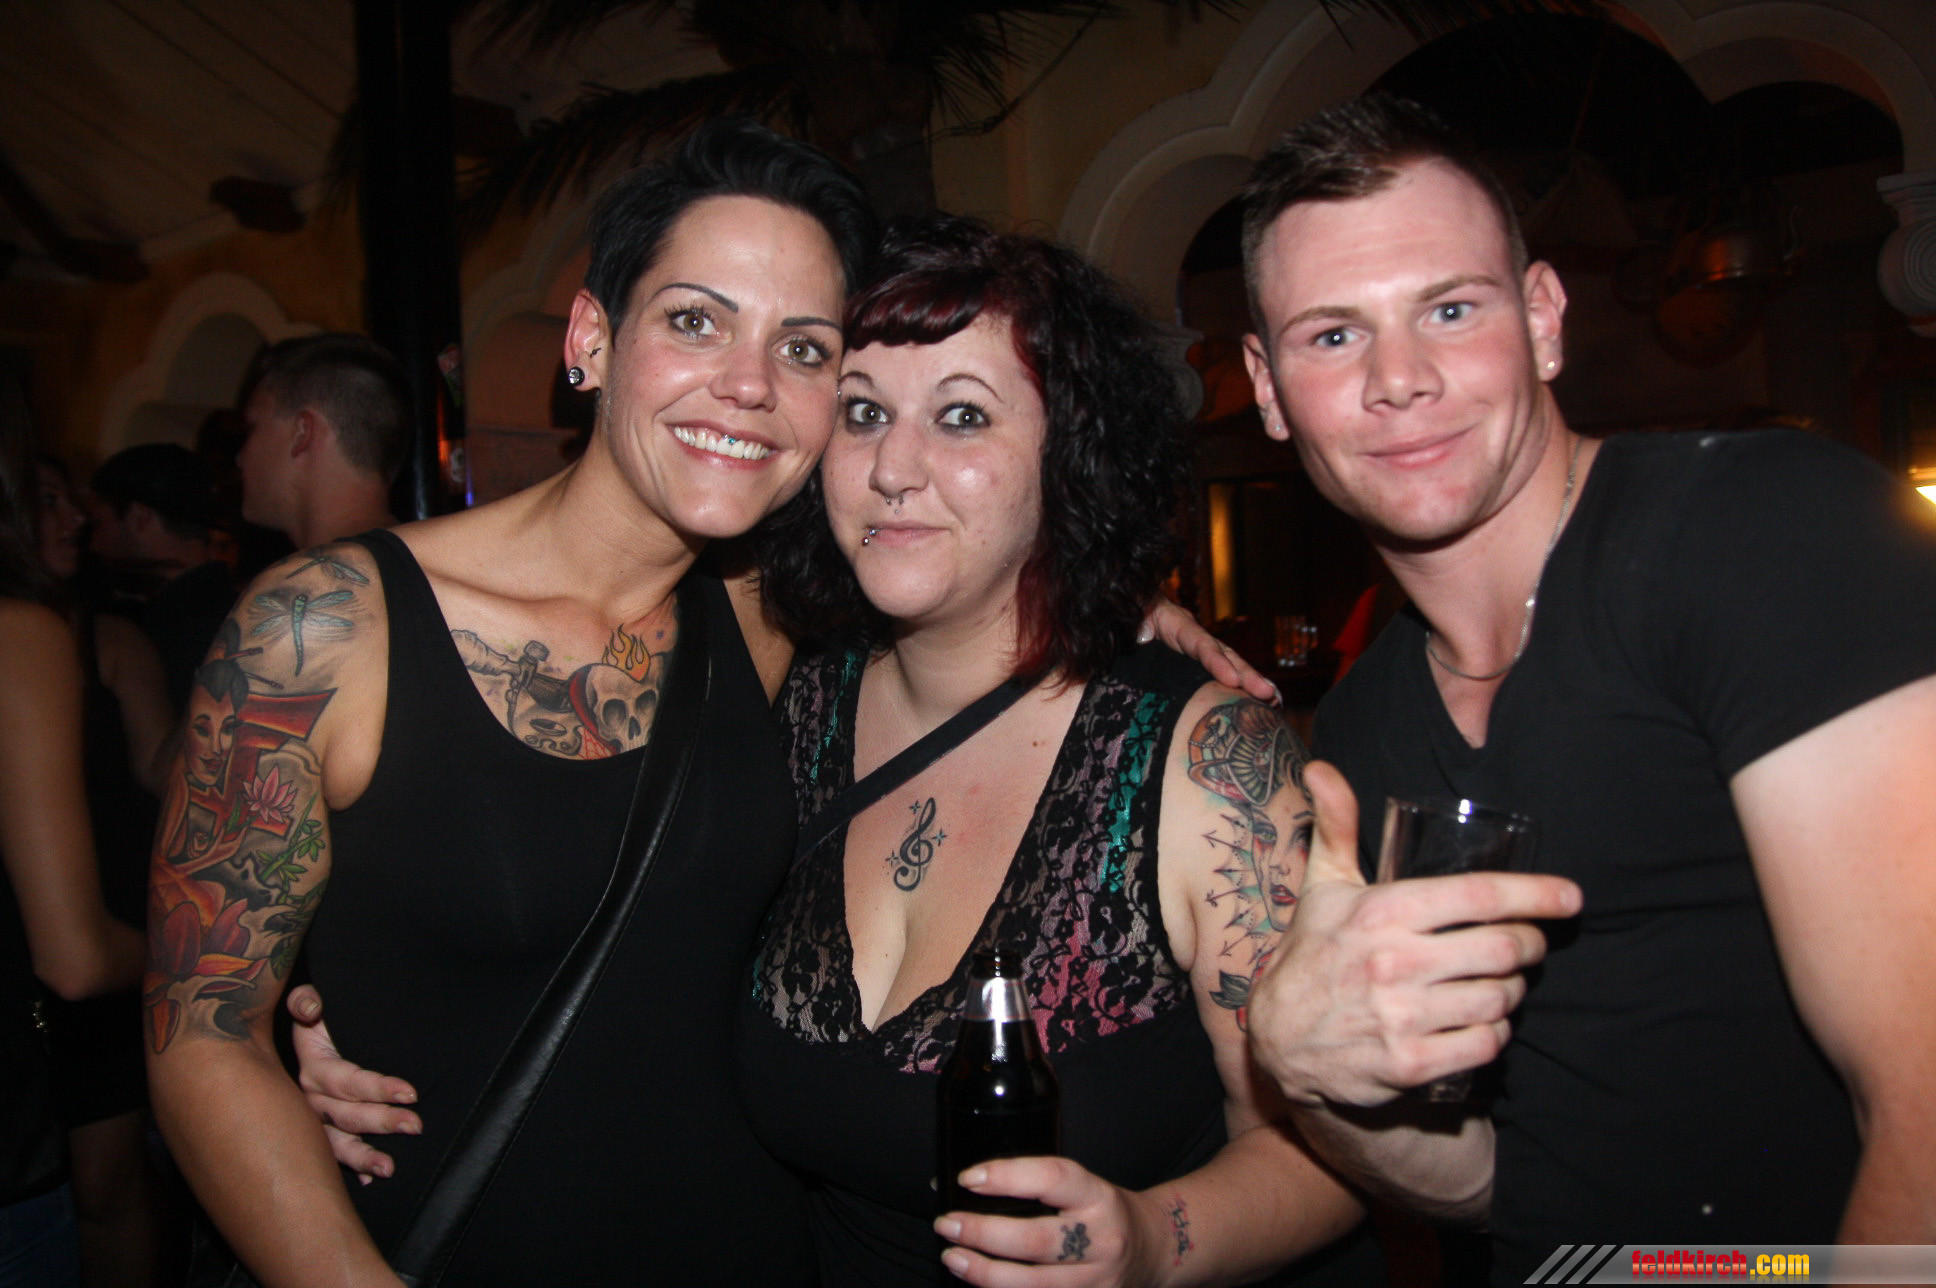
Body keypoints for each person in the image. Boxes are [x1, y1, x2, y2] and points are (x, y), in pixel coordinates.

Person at [149, 119, 1270, 1288]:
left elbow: (988, 567)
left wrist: (1132, 603)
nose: (746, 384)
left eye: (802, 348)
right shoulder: (324, 631)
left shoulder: (772, 619)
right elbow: (201, 1034)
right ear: (591, 338)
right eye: (694, 321)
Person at [1232, 94, 1936, 1281]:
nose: (1399, 379)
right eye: (1333, 335)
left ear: (1544, 319)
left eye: (1449, 309)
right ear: (1264, 385)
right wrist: (1303, 1071)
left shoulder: (1763, 532)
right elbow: (1491, 1180)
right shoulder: (1363, 722)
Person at [737, 214, 1375, 1286]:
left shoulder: (1203, 767)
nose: (892, 467)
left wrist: (1151, 1241)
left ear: (1067, 459)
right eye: (862, 412)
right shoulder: (782, 705)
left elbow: (1340, 1148)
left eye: (963, 416)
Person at [1, 414, 149, 1286]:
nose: (76, 517)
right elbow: (75, 958)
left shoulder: (106, 636)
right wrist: (202, 951)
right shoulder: (22, 636)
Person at [35, 456, 177, 1288]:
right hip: (32, 942)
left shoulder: (107, 639)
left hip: (106, 929)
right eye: (48, 500)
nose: (76, 518)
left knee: (104, 1186)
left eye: (74, 500)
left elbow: (165, 765)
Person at [87, 443, 234, 708]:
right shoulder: (233, 608)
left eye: (98, 523)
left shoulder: (174, 628)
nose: (93, 544)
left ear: (139, 517)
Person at [237, 333, 407, 549]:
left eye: (252, 427)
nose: (240, 458)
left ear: (302, 432)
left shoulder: (305, 573)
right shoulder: (429, 563)